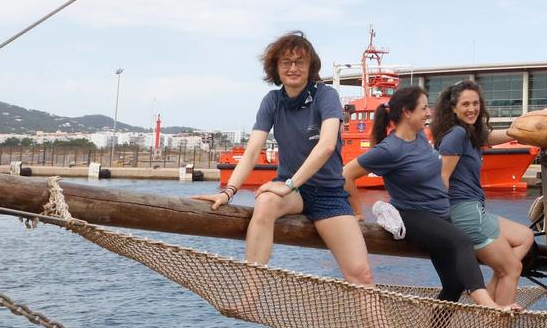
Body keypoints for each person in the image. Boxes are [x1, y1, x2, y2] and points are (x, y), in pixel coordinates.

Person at [198, 31, 372, 286]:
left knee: (361, 274)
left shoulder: (326, 95)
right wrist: (228, 192)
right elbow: (253, 150)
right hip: (294, 193)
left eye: (299, 62)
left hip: (328, 194)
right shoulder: (272, 101)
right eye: (286, 62)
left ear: (310, 66)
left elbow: (325, 147)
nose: (293, 68)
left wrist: (289, 183)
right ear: (276, 68)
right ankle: (251, 292)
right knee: (266, 201)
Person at [344, 85, 513, 311]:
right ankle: (488, 306)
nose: (429, 113)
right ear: (407, 112)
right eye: (424, 108)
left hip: (438, 215)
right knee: (462, 241)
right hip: (413, 215)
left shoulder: (420, 137)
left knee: (453, 285)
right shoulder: (390, 149)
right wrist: (356, 213)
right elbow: (346, 174)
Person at [431, 81, 535, 307]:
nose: (472, 109)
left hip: (475, 210)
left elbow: (504, 134)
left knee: (525, 236)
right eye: (465, 104)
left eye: (476, 103)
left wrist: (546, 115)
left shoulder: (470, 134)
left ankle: (490, 288)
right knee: (512, 269)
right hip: (464, 212)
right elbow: (442, 179)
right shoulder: (457, 134)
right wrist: (440, 221)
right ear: (453, 108)